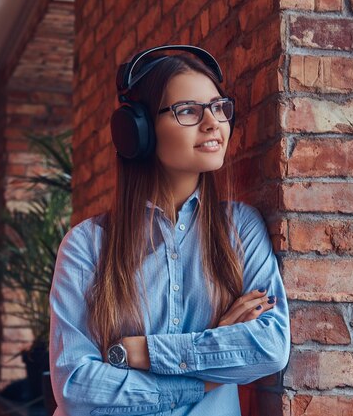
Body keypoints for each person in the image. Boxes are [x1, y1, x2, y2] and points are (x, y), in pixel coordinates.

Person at [49, 45, 290, 416]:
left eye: (218, 107)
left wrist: (142, 353)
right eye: (189, 111)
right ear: (137, 131)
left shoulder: (240, 228)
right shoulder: (86, 245)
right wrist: (213, 359)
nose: (213, 123)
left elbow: (271, 346)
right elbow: (77, 390)